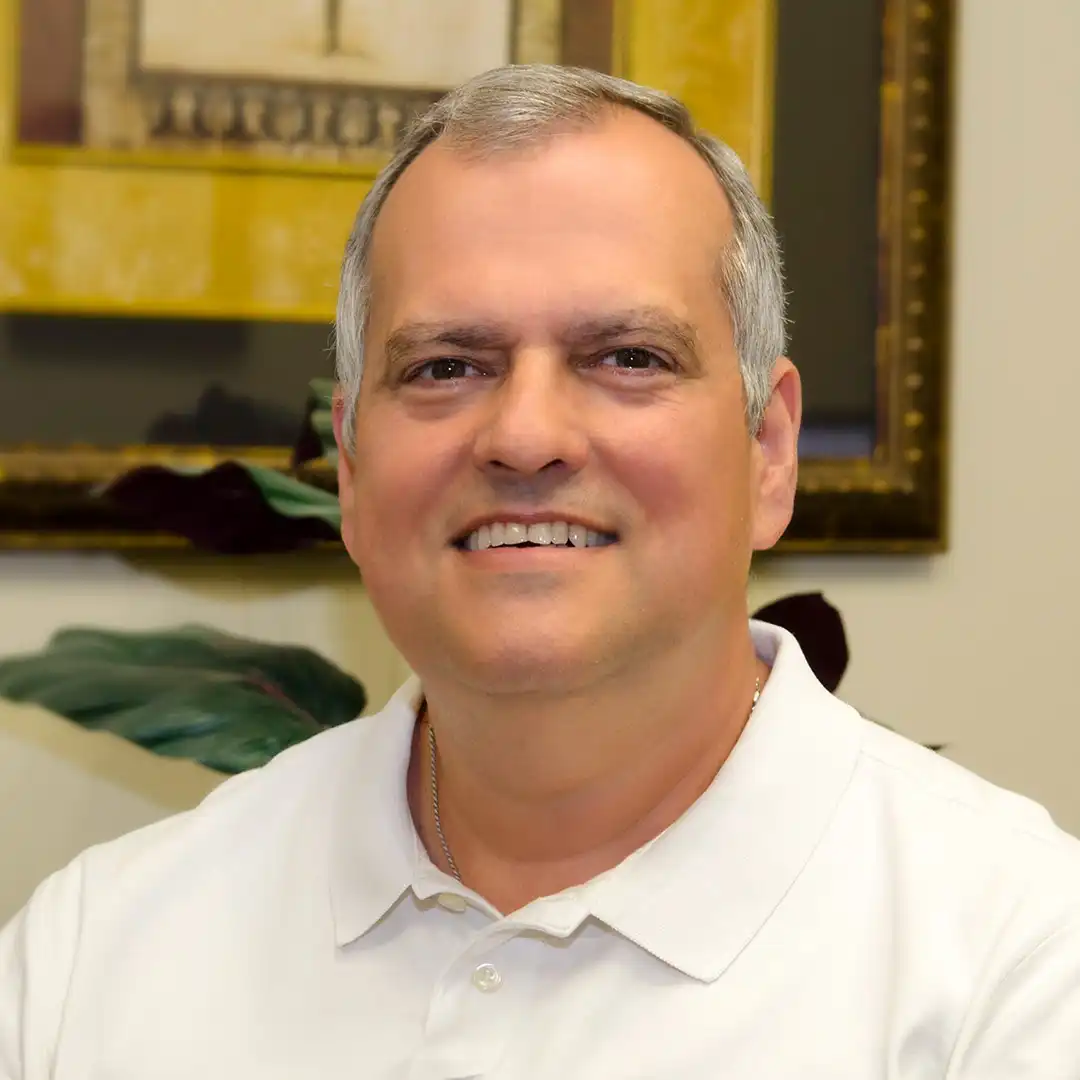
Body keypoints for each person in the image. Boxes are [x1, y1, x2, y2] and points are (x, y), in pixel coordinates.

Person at [2, 64, 1079, 1079]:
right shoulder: (92, 958)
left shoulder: (1016, 964)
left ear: (768, 451)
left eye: (627, 358)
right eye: (446, 367)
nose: (524, 435)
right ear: (352, 465)